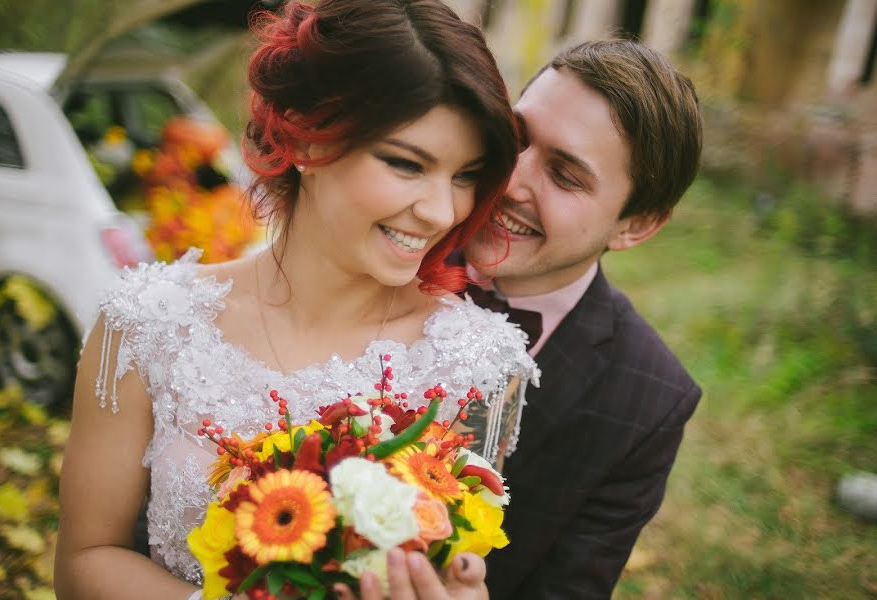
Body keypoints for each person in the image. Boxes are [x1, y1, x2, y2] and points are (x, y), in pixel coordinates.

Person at [53, 2, 538, 599]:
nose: (443, 211)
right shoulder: (149, 323)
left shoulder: (479, 365)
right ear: (307, 140)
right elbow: (84, 562)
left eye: (467, 175)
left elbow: (450, 568)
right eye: (406, 164)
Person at [463, 40, 705, 598]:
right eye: (518, 138)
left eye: (566, 175)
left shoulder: (648, 402)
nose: (511, 180)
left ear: (635, 225)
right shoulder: (389, 251)